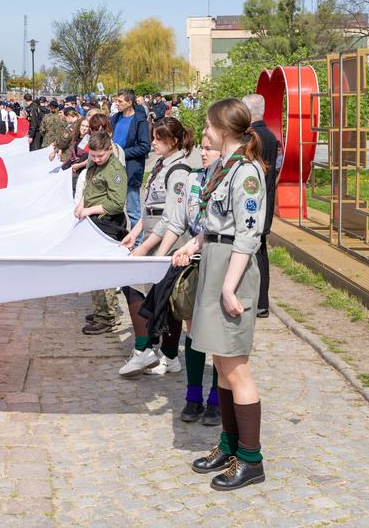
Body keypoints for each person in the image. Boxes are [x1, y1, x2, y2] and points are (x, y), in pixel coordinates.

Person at [173, 98, 268, 491]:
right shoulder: (222, 169)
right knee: (222, 364)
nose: (205, 131)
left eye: (209, 125)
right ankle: (230, 446)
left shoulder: (246, 173)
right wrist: (192, 244)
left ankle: (251, 458)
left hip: (233, 268)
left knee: (236, 368)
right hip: (214, 259)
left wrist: (229, 286)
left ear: (224, 130)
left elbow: (247, 234)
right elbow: (214, 223)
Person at [118, 117, 194, 375]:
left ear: (173, 141)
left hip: (169, 242)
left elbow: (170, 218)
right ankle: (162, 354)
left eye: (158, 139)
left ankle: (148, 351)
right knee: (155, 294)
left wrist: (144, 248)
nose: (152, 143)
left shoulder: (179, 170)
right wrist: (135, 233)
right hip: (151, 237)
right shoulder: (161, 164)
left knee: (162, 297)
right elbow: (149, 207)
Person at [157, 134, 222, 425]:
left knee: (219, 333)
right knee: (193, 328)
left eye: (210, 149)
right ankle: (193, 396)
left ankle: (218, 399)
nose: (203, 154)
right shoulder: (193, 180)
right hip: (194, 263)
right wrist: (159, 257)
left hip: (221, 262)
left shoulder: (231, 180)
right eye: (203, 148)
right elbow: (177, 222)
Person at [76, 131, 128, 334]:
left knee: (102, 271)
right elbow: (88, 187)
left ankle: (107, 318)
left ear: (110, 150)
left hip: (107, 223)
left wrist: (89, 210)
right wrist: (81, 204)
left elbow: (116, 204)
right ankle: (100, 310)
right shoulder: (93, 162)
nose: (96, 159)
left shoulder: (115, 170)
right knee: (92, 269)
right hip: (92, 221)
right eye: (93, 155)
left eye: (100, 156)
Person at [242, 94, 280, 319]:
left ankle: (253, 298)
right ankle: (262, 302)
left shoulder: (250, 137)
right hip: (266, 200)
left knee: (251, 251)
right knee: (261, 251)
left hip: (251, 202)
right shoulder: (271, 136)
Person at [110, 89, 152, 245]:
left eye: (120, 101)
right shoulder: (115, 118)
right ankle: (116, 238)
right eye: (116, 101)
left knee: (133, 210)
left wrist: (120, 153)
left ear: (129, 102)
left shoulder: (139, 120)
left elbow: (144, 146)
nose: (117, 104)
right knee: (114, 206)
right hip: (113, 169)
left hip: (130, 169)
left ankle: (136, 243)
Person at [61, 117, 91, 193]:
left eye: (87, 126)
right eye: (82, 125)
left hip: (81, 171)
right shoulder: (76, 137)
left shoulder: (89, 140)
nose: (84, 128)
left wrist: (78, 166)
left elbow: (89, 158)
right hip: (73, 167)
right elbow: (72, 154)